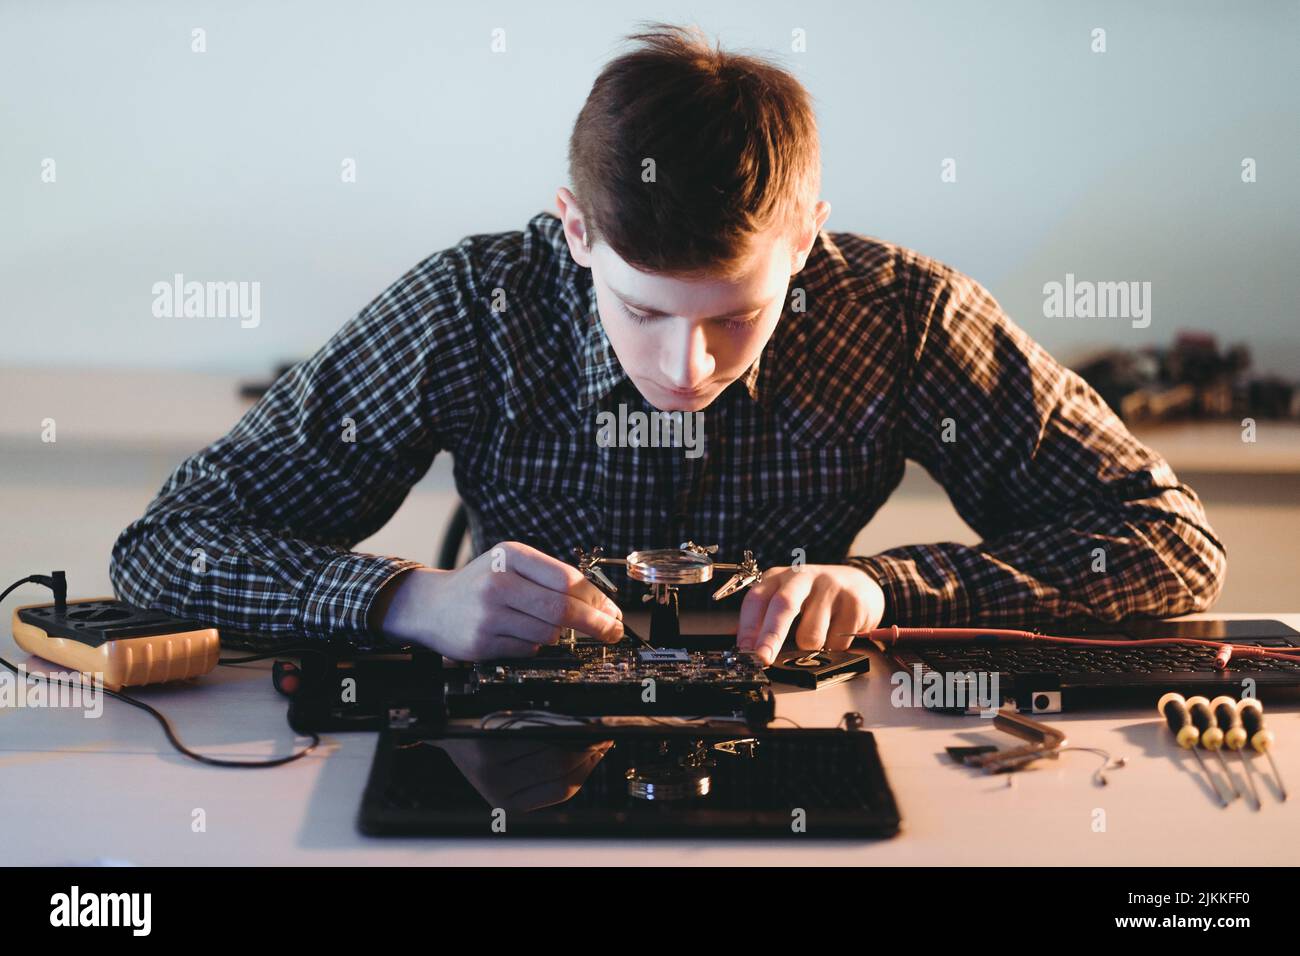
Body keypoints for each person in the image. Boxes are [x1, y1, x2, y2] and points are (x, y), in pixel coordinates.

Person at [110, 24, 1226, 666]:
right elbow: (168, 546)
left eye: (736, 316)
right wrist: (415, 602)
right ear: (576, 232)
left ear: (808, 239)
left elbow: (1169, 541)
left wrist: (889, 590)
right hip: (518, 750)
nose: (687, 370)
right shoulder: (473, 304)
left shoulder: (902, 312)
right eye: (643, 312)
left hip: (798, 743)